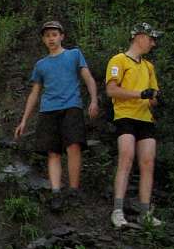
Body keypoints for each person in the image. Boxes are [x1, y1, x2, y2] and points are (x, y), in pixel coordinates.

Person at [14, 20, 99, 212]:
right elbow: (35, 93)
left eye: (54, 35)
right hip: (48, 110)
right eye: (47, 36)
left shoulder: (74, 55)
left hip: (71, 106)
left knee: (73, 146)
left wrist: (94, 100)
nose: (51, 39)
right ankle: (56, 192)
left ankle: (74, 190)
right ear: (44, 40)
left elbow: (88, 78)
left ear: (61, 36)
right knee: (53, 152)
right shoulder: (41, 65)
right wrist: (24, 120)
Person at [105, 22, 162, 230]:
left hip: (145, 118)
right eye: (150, 38)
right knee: (126, 157)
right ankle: (118, 210)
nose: (153, 43)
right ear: (139, 37)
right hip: (125, 116)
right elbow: (111, 90)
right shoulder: (119, 60)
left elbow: (152, 95)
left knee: (147, 162)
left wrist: (155, 97)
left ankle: (145, 213)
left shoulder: (148, 66)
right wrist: (140, 94)